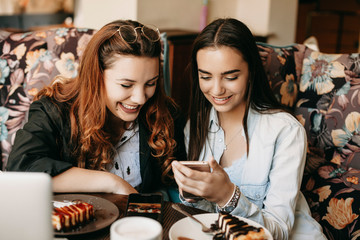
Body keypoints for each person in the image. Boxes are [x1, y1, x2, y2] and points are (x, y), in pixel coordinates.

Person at [171, 18, 326, 239]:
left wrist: (227, 196)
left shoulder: (285, 131)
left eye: (231, 77)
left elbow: (280, 231)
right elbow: (208, 219)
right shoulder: (196, 125)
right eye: (205, 76)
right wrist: (192, 192)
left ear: (251, 71)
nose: (216, 89)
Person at [6, 19, 186, 195]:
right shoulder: (53, 109)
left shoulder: (166, 112)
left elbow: (175, 185)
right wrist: (111, 182)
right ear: (96, 77)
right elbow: (20, 168)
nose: (140, 98)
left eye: (150, 83)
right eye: (126, 85)